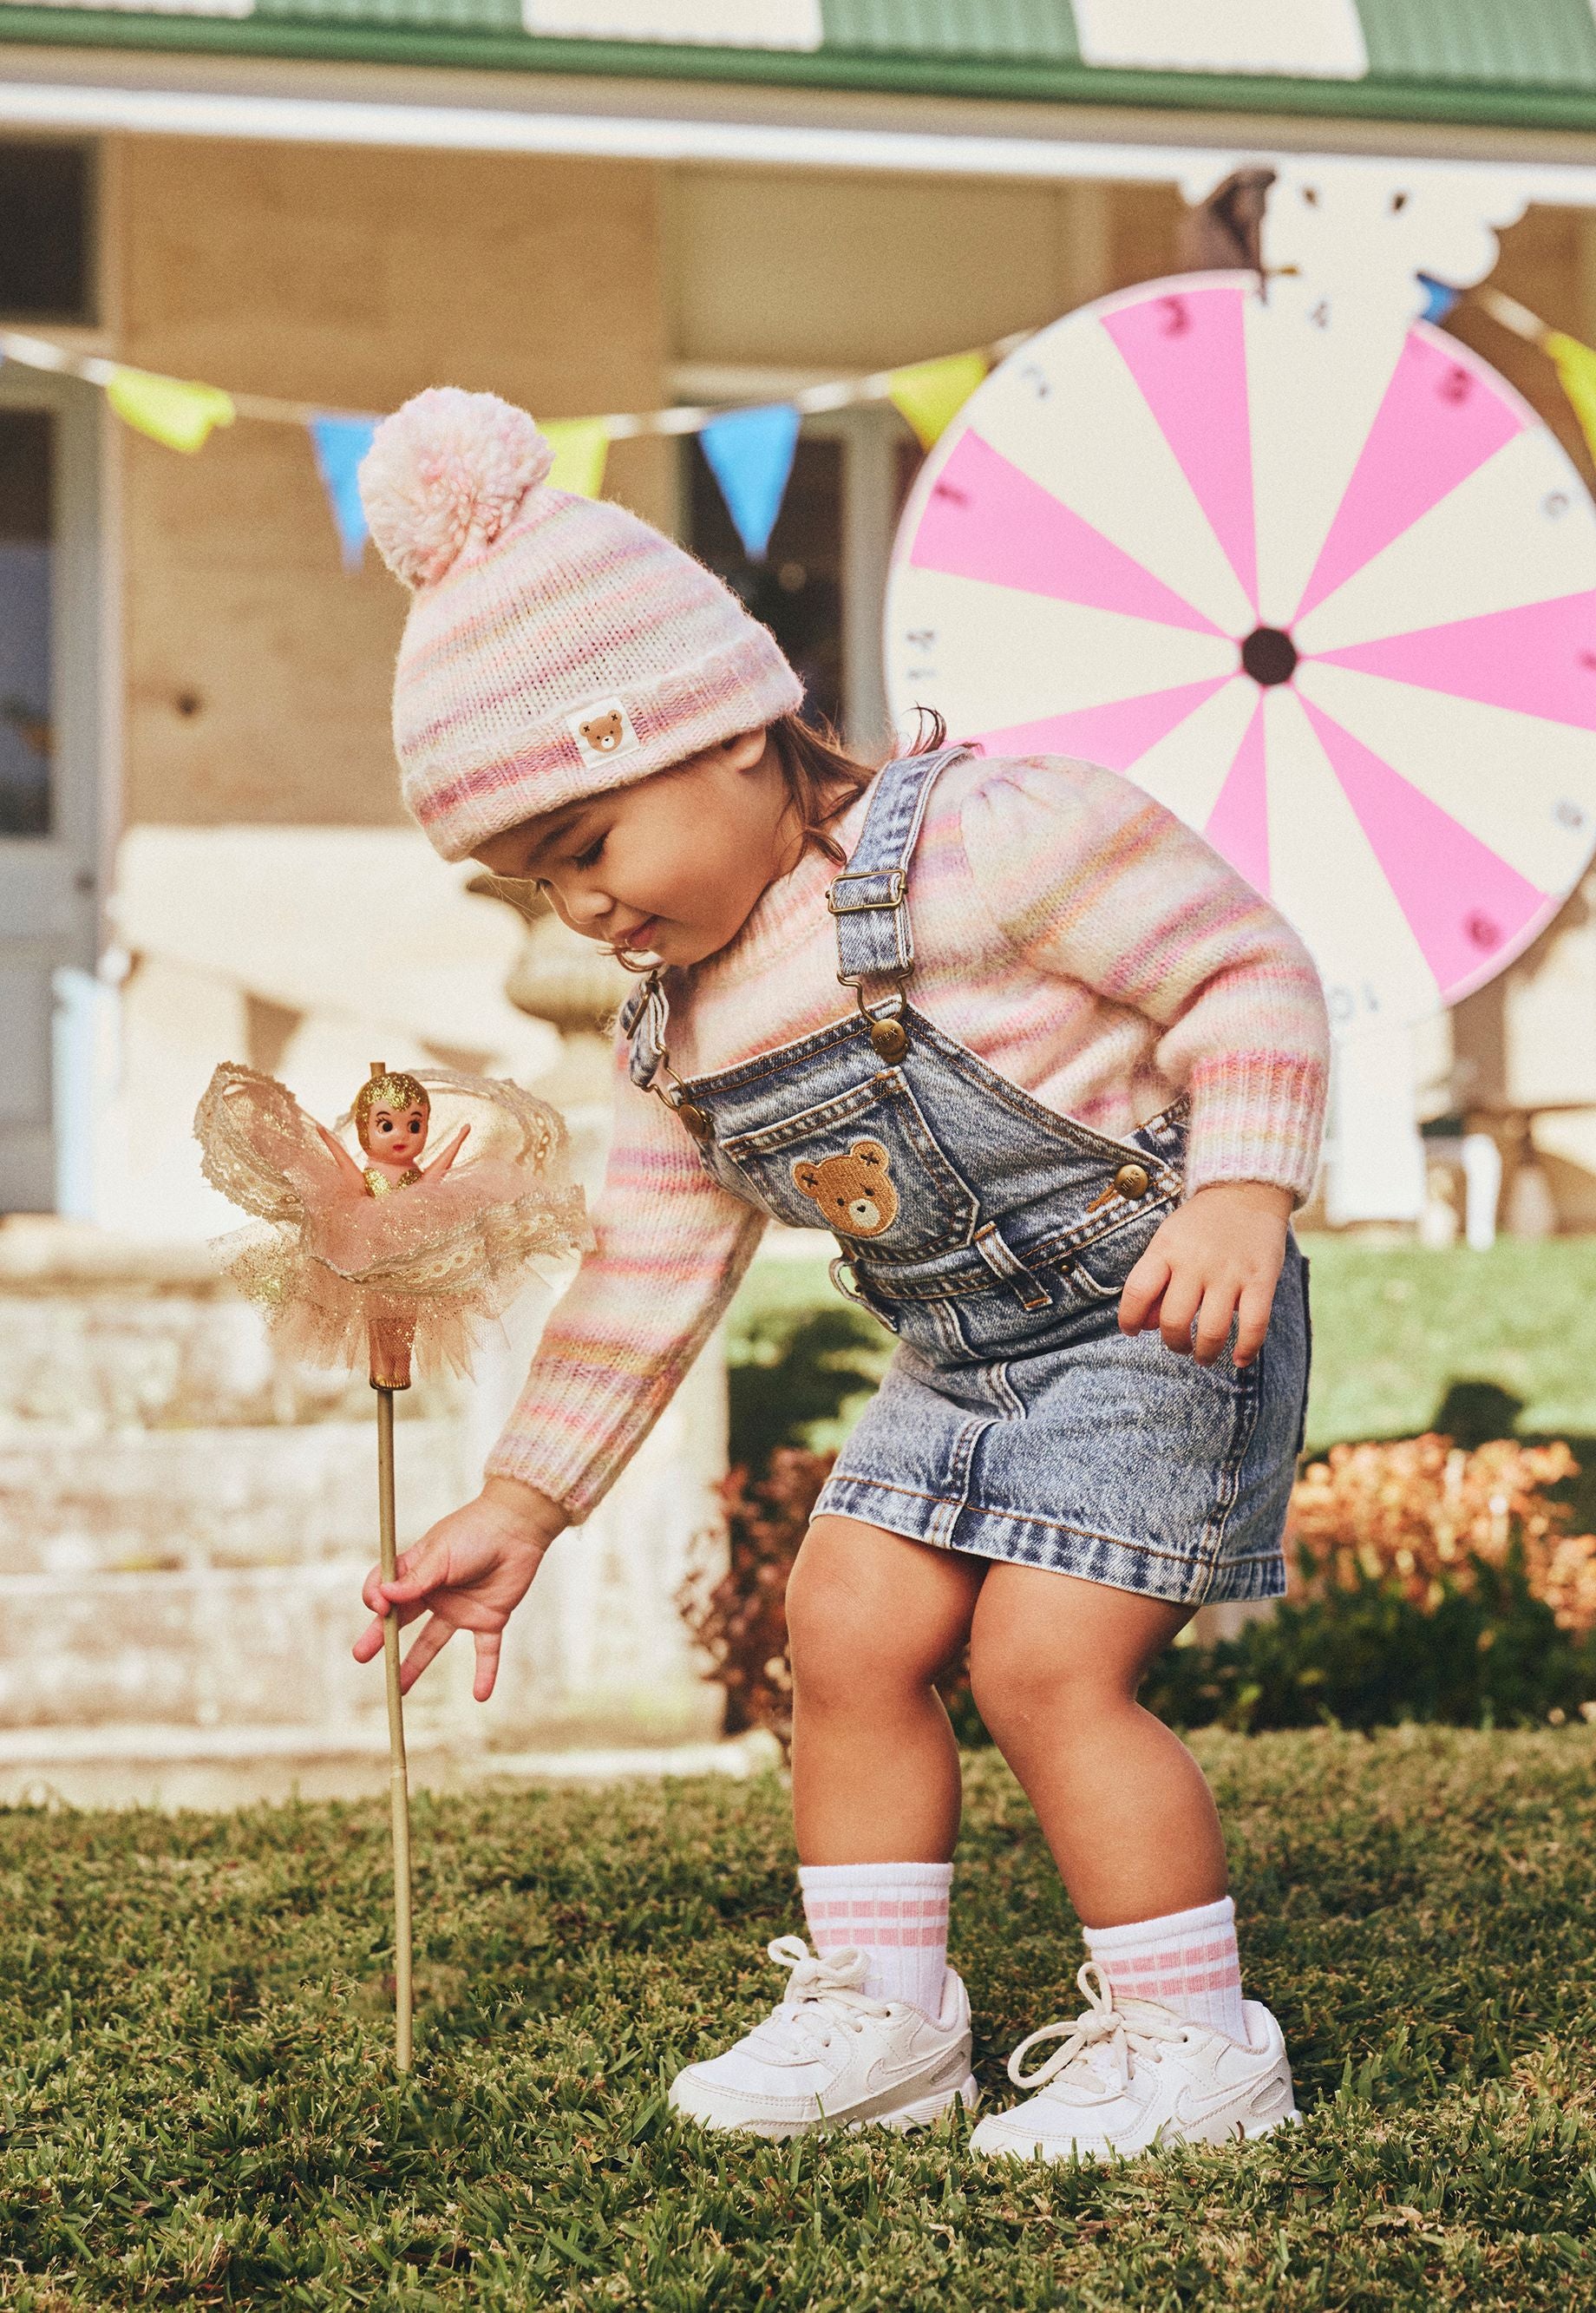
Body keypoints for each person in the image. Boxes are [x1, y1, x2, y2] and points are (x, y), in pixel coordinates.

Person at [350, 386, 1329, 2160]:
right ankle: (886, 2013)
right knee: (844, 1622)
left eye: (587, 842)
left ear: (727, 732)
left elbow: (1245, 973)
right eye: (529, 879)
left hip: (1151, 1319)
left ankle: (1197, 2047)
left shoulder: (991, 838)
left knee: (1045, 1660)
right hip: (959, 1358)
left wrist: (1244, 1191)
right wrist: (521, 1498)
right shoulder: (674, 1034)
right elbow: (646, 1271)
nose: (578, 904)